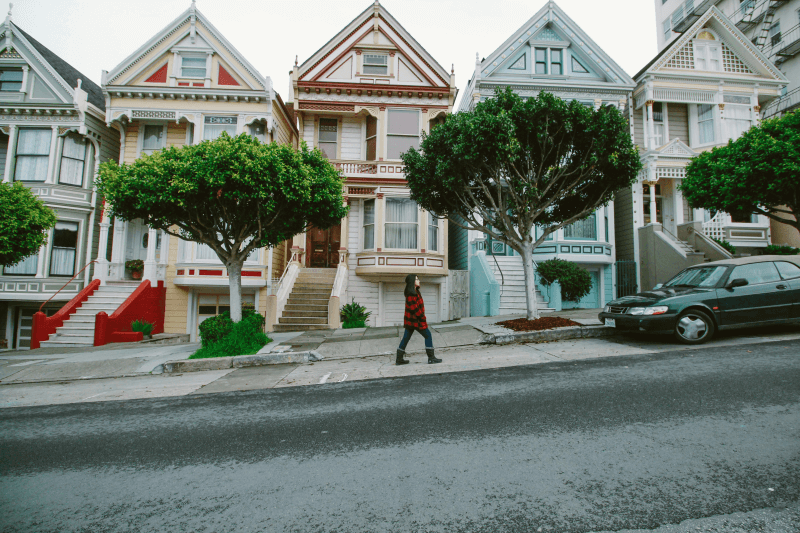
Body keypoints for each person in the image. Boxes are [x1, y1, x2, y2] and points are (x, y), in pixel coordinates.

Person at [396, 274, 442, 365]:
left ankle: (399, 359)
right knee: (428, 335)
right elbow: (415, 309)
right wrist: (422, 318)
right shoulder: (411, 294)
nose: (418, 280)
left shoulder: (415, 292)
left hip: (411, 321)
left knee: (406, 338)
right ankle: (431, 358)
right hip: (415, 321)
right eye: (416, 279)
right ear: (412, 281)